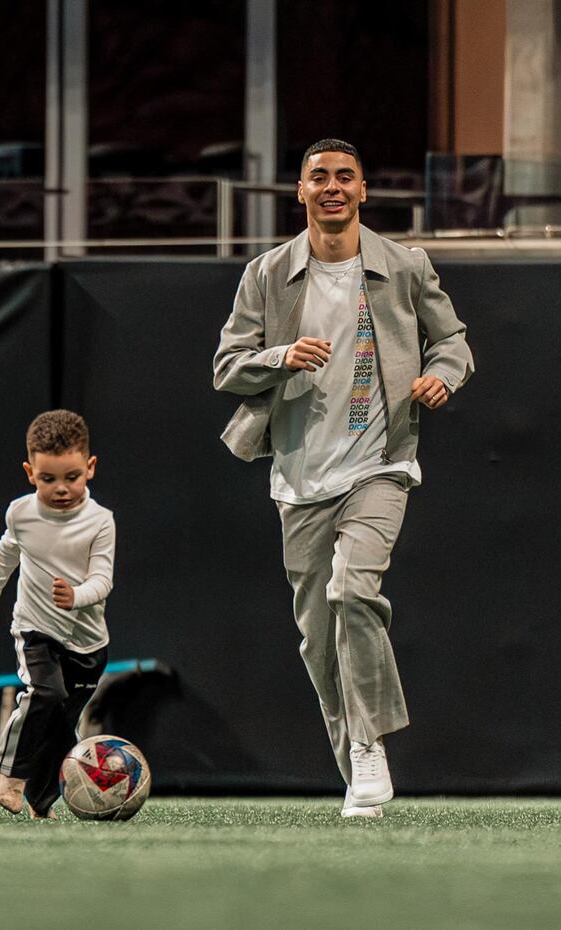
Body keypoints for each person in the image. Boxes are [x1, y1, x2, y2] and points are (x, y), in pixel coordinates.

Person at [213, 139, 474, 818]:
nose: (332, 187)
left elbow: (453, 341)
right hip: (299, 477)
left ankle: (369, 745)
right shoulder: (268, 274)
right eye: (319, 178)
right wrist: (280, 355)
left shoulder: (404, 265)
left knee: (353, 590)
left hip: (381, 462)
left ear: (363, 191)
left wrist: (441, 377)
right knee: (317, 636)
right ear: (300, 192)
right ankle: (358, 763)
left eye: (345, 177)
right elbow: (227, 366)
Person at [0, 409, 115, 819]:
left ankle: (41, 804)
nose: (61, 489)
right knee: (45, 693)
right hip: (35, 629)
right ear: (30, 472)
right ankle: (8, 775)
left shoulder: (100, 522)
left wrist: (78, 595)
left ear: (90, 468)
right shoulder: (21, 513)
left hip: (88, 642)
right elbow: (8, 550)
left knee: (61, 724)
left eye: (72, 477)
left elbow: (103, 579)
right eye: (48, 479)